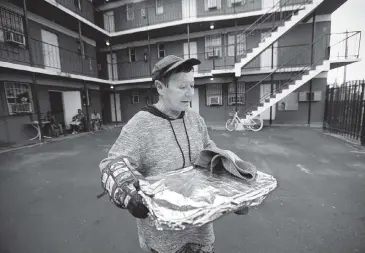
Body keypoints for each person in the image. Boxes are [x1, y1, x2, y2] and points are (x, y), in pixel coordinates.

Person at [99, 55, 247, 253]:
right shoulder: (140, 125)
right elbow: (112, 162)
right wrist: (127, 193)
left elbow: (210, 153)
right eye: (182, 87)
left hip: (201, 233)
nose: (189, 93)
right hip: (163, 241)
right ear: (160, 87)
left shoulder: (195, 119)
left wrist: (237, 189)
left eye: (191, 86)